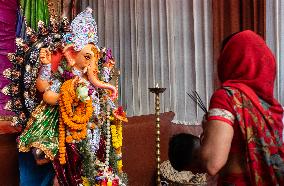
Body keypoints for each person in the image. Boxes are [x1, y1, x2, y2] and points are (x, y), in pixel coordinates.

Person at [169, 30, 284, 186]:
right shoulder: (270, 106)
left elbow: (212, 163)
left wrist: (208, 130)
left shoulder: (226, 97)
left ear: (229, 60)